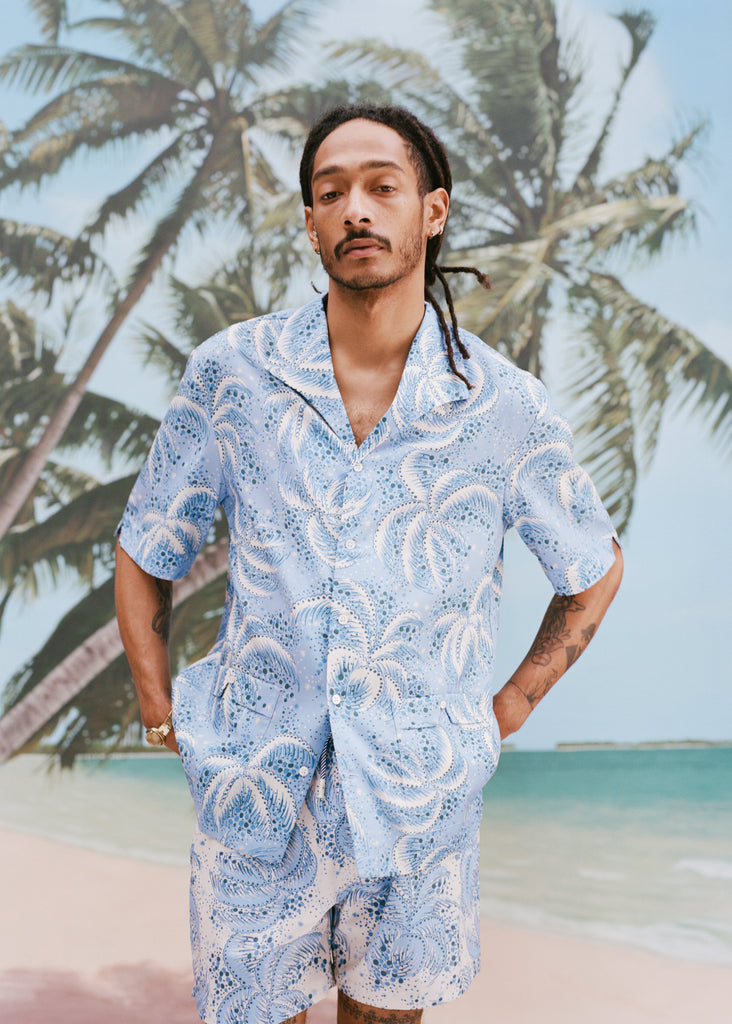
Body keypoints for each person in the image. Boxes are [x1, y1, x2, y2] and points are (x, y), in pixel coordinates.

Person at [115, 104, 623, 1024]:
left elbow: (590, 566)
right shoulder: (233, 373)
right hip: (257, 787)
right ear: (309, 222)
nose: (356, 209)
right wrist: (160, 711)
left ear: (431, 210)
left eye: (381, 187)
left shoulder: (502, 405)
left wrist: (501, 713)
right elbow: (148, 542)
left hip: (416, 801)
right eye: (330, 191)